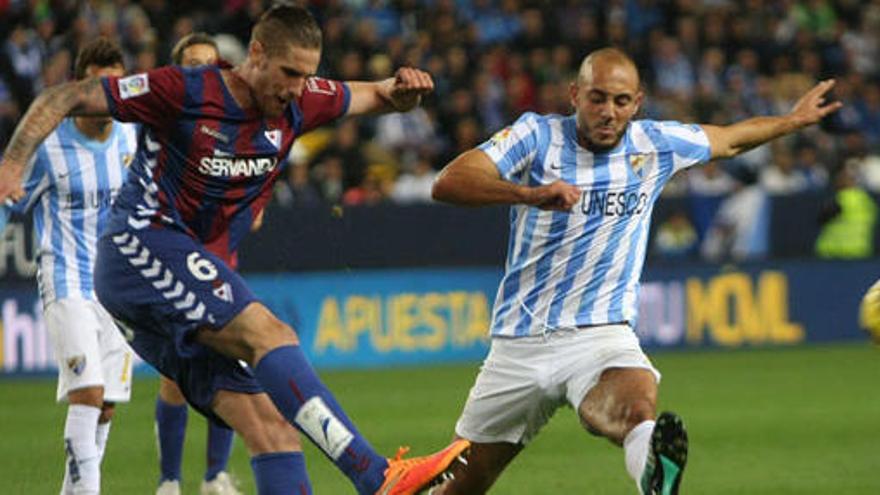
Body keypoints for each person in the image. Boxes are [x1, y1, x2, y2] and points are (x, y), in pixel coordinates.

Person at [0, 6, 468, 495]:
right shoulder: (185, 89)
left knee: (272, 426)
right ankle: (377, 477)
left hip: (170, 284)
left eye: (306, 76)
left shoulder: (302, 101)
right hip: (138, 247)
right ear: (257, 54)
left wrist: (402, 93)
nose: (295, 87)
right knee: (269, 332)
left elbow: (377, 93)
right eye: (288, 73)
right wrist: (13, 164)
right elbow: (65, 96)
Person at [430, 47, 840, 495]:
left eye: (621, 101)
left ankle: (653, 471)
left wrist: (792, 121)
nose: (609, 112)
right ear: (574, 95)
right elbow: (449, 182)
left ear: (638, 102)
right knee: (464, 484)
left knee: (636, 407)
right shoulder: (536, 135)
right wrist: (530, 195)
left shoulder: (655, 144)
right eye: (597, 98)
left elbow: (731, 139)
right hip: (518, 343)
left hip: (600, 333)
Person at [0, 38, 138, 495]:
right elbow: (8, 198)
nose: (107, 95)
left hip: (118, 289)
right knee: (89, 395)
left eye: (115, 86)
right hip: (66, 281)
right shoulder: (48, 148)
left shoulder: (131, 137)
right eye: (99, 86)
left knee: (106, 407)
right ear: (79, 88)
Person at [155, 32, 240, 495]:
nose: (203, 71)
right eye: (192, 64)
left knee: (225, 364)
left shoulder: (233, 126)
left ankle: (215, 477)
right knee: (176, 375)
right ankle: (169, 481)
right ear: (177, 70)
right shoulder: (167, 126)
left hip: (222, 263)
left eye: (210, 63)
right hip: (174, 262)